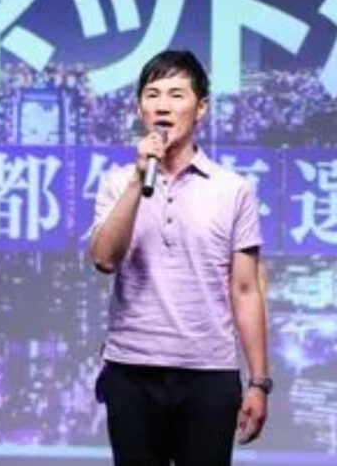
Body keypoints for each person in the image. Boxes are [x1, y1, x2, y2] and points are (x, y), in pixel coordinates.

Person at [88, 49, 271, 465]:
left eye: (176, 94)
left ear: (201, 107)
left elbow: (245, 289)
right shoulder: (117, 183)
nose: (163, 106)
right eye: (152, 95)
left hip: (209, 372)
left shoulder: (232, 189)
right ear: (140, 107)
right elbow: (104, 259)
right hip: (131, 368)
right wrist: (139, 179)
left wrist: (259, 381)